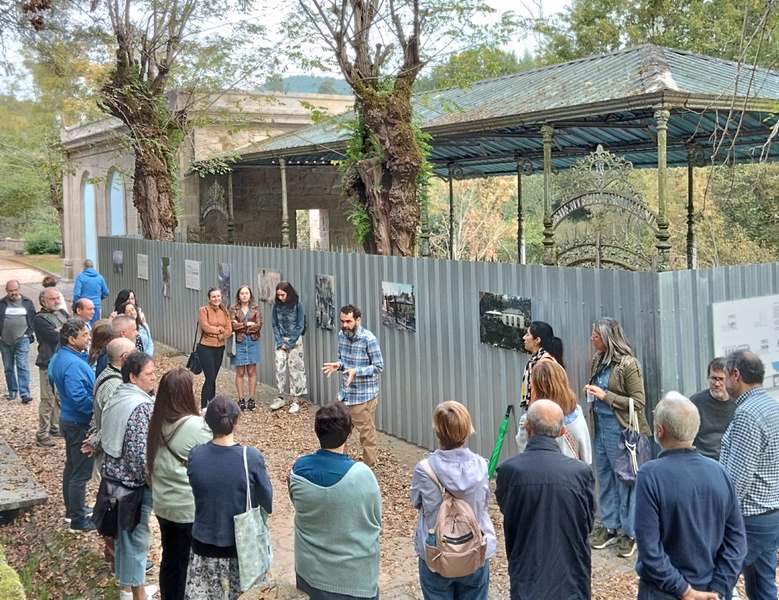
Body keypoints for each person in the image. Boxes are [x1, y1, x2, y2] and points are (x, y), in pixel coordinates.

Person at [634, 392, 746, 600]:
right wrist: (718, 589)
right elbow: (737, 542)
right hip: (711, 589)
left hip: (663, 592)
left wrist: (685, 591)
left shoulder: (650, 475)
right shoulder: (719, 472)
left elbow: (650, 550)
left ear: (659, 431)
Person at [496, 400, 594, 600]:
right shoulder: (580, 473)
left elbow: (509, 510)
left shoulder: (509, 471)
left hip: (527, 577)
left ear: (527, 428)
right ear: (562, 431)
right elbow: (588, 522)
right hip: (572, 579)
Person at [289, 402, 381, 600]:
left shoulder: (297, 470)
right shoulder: (363, 475)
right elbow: (374, 520)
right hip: (355, 581)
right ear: (349, 433)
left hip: (310, 575)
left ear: (317, 431)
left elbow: (295, 502)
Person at [186, 395, 273, 600]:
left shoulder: (196, 455)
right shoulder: (250, 457)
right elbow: (267, 501)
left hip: (203, 541)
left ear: (208, 422)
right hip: (242, 547)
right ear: (235, 421)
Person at [411, 401, 496, 599]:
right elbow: (484, 503)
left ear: (437, 432)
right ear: (467, 430)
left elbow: (416, 501)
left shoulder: (424, 470)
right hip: (474, 548)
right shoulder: (482, 466)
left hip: (436, 551)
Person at [585, 317, 650, 558]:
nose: (592, 339)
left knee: (625, 479)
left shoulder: (628, 364)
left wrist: (605, 396)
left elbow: (638, 402)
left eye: (596, 336)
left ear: (608, 338)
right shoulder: (598, 360)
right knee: (604, 476)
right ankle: (609, 525)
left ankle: (629, 532)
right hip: (601, 427)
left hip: (622, 430)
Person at [147, 367, 212, 600]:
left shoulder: (155, 421)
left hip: (163, 505)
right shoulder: (196, 426)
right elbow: (213, 453)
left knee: (170, 558)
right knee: (187, 563)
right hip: (187, 508)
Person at [719, 351, 779, 600]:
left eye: (725, 375)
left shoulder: (747, 414)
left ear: (736, 375)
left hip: (749, 519)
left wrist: (717, 515)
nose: (723, 382)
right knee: (763, 588)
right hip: (770, 515)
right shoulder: (772, 406)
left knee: (717, 582)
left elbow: (737, 479)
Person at [100, 352, 157, 600]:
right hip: (131, 486)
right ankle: (138, 594)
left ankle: (127, 589)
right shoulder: (141, 406)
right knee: (135, 540)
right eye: (149, 374)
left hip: (111, 479)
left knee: (122, 537)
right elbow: (139, 456)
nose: (154, 378)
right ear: (133, 377)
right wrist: (153, 483)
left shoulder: (117, 396)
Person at [322, 305, 384, 468]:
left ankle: (369, 467)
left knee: (366, 433)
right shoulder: (341, 335)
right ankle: (339, 464)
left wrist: (356, 371)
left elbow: (379, 367)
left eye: (349, 321)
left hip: (363, 395)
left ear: (358, 320)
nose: (345, 325)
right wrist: (339, 365)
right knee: (339, 429)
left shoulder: (368, 339)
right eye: (342, 321)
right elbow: (344, 362)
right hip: (345, 393)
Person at [49, 318, 95, 531]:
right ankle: (78, 520)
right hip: (78, 423)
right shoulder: (73, 364)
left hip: (68, 419)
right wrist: (94, 412)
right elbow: (78, 397)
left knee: (72, 466)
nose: (88, 338)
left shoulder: (62, 357)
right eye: (84, 335)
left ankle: (72, 510)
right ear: (71, 339)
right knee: (80, 473)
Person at [515, 359, 592, 463]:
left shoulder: (528, 420)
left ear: (537, 388)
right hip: (575, 471)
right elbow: (586, 458)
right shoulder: (576, 412)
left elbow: (524, 453)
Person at [83, 337, 137, 478]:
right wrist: (95, 441)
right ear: (125, 357)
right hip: (111, 457)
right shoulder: (114, 387)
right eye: (135, 353)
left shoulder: (107, 374)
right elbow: (114, 423)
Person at [33, 288, 68, 446]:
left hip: (62, 361)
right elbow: (55, 337)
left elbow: (73, 330)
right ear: (43, 301)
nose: (56, 301)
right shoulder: (39, 319)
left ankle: (55, 427)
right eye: (52, 299)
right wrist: (63, 331)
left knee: (59, 397)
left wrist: (63, 331)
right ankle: (42, 434)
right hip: (47, 361)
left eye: (57, 298)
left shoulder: (62, 313)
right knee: (47, 399)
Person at [270, 281, 307, 414]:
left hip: (295, 340)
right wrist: (280, 342)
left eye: (283, 295)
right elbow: (274, 324)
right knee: (279, 367)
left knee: (295, 369)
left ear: (289, 293)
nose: (281, 297)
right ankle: (280, 396)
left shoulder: (298, 305)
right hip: (281, 340)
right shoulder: (276, 306)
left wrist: (290, 342)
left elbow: (300, 325)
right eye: (278, 295)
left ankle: (295, 400)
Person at [690, 357, 736, 460]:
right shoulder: (695, 402)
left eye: (721, 379)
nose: (717, 384)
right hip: (702, 459)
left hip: (730, 460)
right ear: (708, 378)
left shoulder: (739, 403)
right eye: (714, 378)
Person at [0, 279, 36, 403]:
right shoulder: (2, 303)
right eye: (10, 291)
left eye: (15, 290)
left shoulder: (27, 302)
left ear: (19, 289)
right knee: (8, 367)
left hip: (22, 339)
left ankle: (25, 393)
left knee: (22, 365)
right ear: (6, 291)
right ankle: (12, 391)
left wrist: (28, 334)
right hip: (4, 341)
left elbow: (33, 319)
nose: (13, 293)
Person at [196, 288, 231, 409]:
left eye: (218, 296)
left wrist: (222, 335)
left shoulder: (225, 311)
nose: (216, 299)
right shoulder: (204, 310)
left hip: (219, 348)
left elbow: (229, 329)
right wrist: (219, 329)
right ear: (209, 298)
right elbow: (205, 327)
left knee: (213, 378)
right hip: (206, 347)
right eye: (213, 297)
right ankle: (204, 407)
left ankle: (211, 405)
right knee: (209, 377)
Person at [229, 285, 261, 411]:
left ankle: (251, 399)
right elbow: (233, 326)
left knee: (252, 372)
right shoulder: (233, 309)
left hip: (252, 341)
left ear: (250, 295)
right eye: (242, 293)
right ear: (238, 295)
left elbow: (258, 326)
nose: (244, 295)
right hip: (239, 342)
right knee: (240, 372)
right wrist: (247, 324)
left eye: (246, 293)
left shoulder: (255, 308)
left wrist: (241, 326)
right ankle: (241, 399)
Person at [520, 321, 563, 409]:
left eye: (527, 334)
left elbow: (547, 397)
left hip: (544, 413)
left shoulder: (544, 364)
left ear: (537, 340)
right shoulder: (535, 361)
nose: (524, 337)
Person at [72, 259, 109, 324]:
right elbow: (106, 292)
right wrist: (98, 298)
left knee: (83, 325)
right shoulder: (99, 277)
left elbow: (76, 294)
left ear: (84, 267)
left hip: (84, 308)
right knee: (96, 326)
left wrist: (76, 305)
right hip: (96, 306)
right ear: (93, 266)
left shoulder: (80, 277)